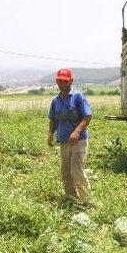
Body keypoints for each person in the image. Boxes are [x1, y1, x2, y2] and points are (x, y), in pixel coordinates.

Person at [47, 68, 93, 203]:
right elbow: (53, 119)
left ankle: (87, 201)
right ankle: (71, 199)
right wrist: (50, 133)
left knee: (77, 172)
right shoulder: (55, 101)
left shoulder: (77, 96)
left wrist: (77, 131)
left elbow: (87, 116)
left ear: (71, 81)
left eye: (65, 81)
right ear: (56, 81)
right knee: (66, 173)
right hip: (63, 141)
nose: (62, 83)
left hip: (79, 141)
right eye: (60, 81)